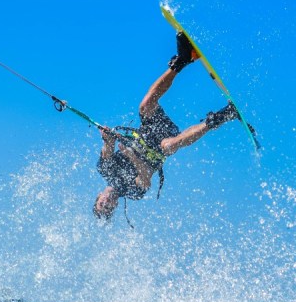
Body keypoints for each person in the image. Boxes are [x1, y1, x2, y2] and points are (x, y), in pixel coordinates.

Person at [93, 32, 239, 221]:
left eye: (101, 204)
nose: (107, 203)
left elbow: (108, 148)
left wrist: (107, 137)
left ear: (98, 197)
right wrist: (131, 156)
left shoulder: (104, 169)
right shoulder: (133, 193)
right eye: (109, 208)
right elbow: (145, 177)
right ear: (116, 206)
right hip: (161, 144)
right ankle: (222, 116)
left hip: (148, 131)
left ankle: (182, 60)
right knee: (169, 146)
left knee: (145, 106)